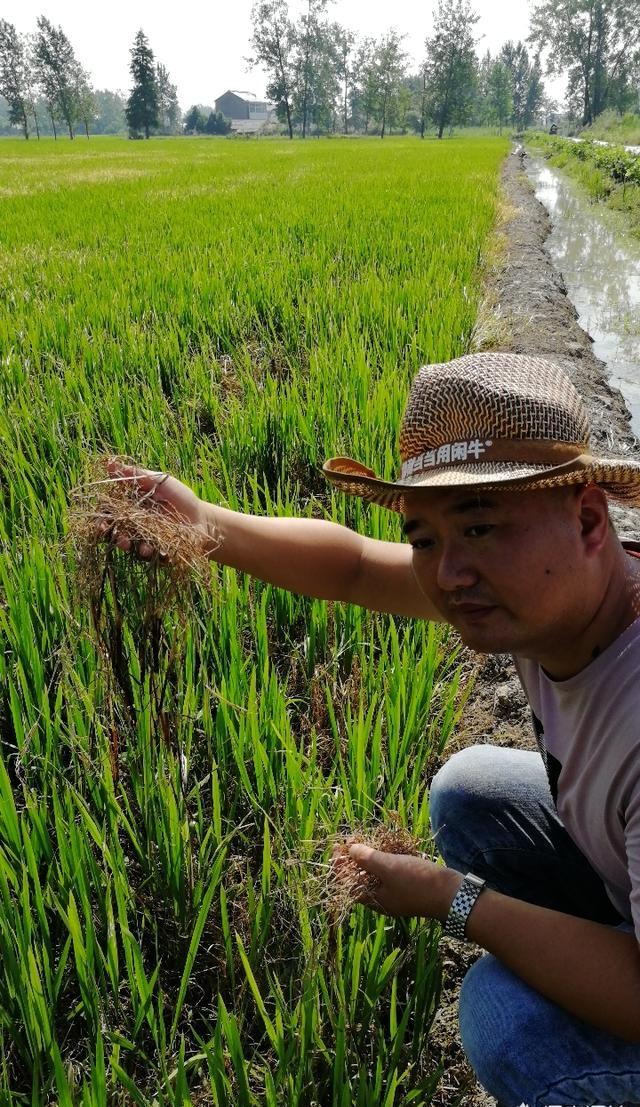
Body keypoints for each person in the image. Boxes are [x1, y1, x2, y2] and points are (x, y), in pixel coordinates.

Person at [106, 352, 640, 1106]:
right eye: (425, 539)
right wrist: (201, 522)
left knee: (502, 1014)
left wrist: (452, 899)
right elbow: (355, 566)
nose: (448, 573)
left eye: (480, 526)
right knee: (470, 792)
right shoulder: (559, 591)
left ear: (588, 518)